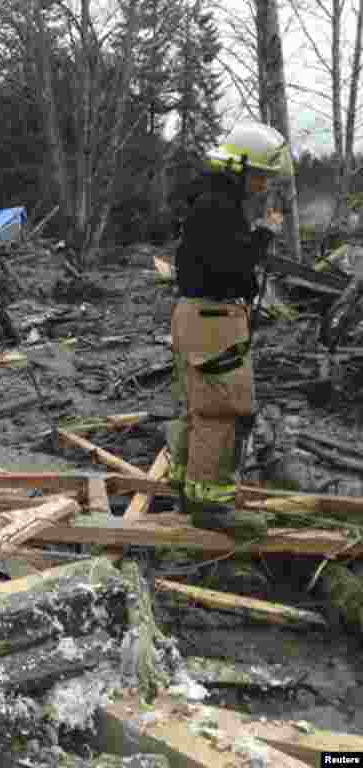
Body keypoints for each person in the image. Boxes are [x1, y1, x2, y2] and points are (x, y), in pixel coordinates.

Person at [170, 121, 294, 538]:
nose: (263, 185)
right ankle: (213, 506)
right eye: (260, 176)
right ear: (239, 167)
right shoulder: (218, 208)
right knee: (224, 410)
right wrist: (264, 235)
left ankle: (191, 491)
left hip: (202, 317)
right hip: (213, 320)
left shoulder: (210, 200)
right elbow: (234, 265)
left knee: (202, 407)